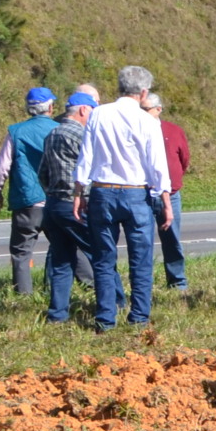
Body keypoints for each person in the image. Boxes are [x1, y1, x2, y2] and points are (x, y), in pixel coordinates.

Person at [76, 65, 174, 331]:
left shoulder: (99, 114)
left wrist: (78, 191)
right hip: (135, 193)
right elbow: (157, 165)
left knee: (104, 258)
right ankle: (139, 317)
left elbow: (87, 154)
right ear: (143, 93)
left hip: (102, 190)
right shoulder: (147, 121)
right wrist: (165, 201)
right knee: (140, 258)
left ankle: (106, 318)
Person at [0, 87, 58, 297]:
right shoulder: (60, 129)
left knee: (21, 252)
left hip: (27, 200)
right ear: (51, 107)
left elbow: (2, 167)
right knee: (60, 247)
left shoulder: (16, 132)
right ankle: (55, 291)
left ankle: (23, 295)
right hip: (56, 198)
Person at [39, 88, 97, 325]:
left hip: (52, 203)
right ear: (84, 110)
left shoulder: (52, 133)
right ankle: (116, 303)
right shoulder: (83, 135)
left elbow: (43, 171)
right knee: (100, 254)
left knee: (62, 261)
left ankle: (57, 314)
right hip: (74, 203)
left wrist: (52, 191)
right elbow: (90, 170)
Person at [146, 91, 193, 291]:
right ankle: (143, 281)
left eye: (145, 109)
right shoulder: (136, 130)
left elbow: (184, 160)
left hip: (171, 194)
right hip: (143, 194)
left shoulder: (173, 131)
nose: (141, 113)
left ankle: (177, 281)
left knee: (172, 240)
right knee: (142, 240)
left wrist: (174, 180)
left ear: (158, 110)